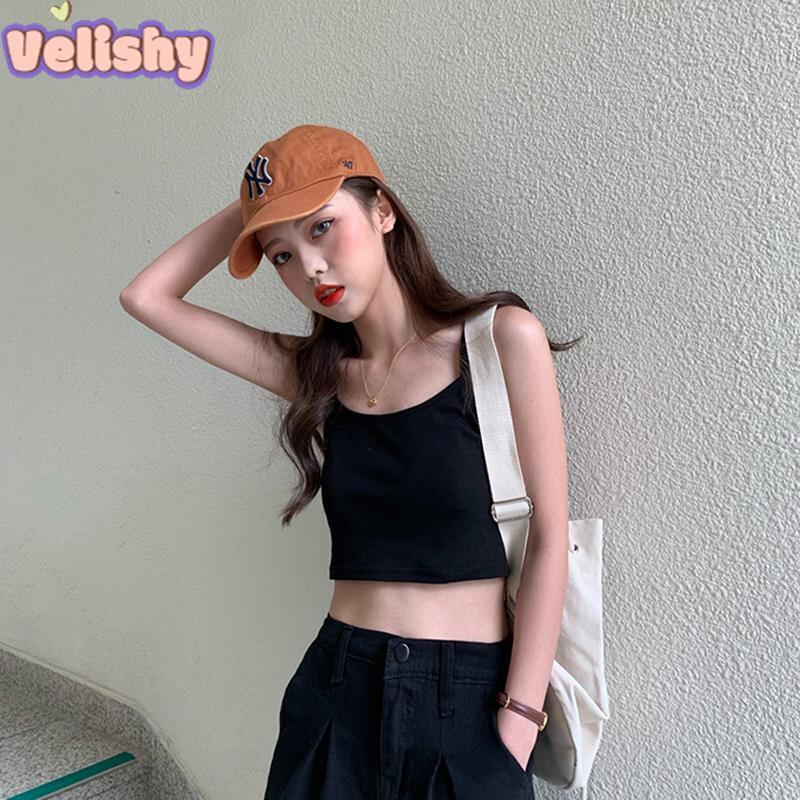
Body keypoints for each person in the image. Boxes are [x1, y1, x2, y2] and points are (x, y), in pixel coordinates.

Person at [120, 124, 578, 799]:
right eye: (281, 254)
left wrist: (517, 722)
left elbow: (550, 536)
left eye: (323, 227)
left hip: (472, 704)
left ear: (382, 210)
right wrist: (255, 206)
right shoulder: (319, 377)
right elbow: (147, 297)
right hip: (337, 691)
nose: (309, 267)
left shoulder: (499, 340)